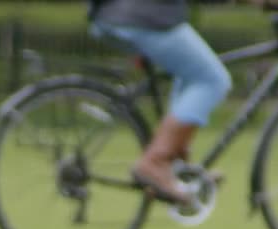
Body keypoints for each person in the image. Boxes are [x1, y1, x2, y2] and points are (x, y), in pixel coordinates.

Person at [87, 0, 233, 206]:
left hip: (115, 14)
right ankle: (156, 161)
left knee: (191, 73)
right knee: (212, 80)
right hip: (144, 15)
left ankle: (178, 166)